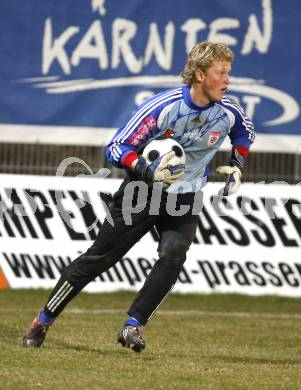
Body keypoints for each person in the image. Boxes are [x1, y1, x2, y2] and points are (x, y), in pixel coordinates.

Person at [23, 41, 255, 353]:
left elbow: (244, 132)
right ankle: (43, 319)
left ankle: (133, 326)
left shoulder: (228, 110)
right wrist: (148, 171)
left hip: (185, 197)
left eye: (229, 73)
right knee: (98, 260)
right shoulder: (162, 107)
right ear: (200, 75)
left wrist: (238, 166)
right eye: (221, 73)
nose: (228, 80)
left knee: (174, 253)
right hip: (141, 192)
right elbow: (117, 147)